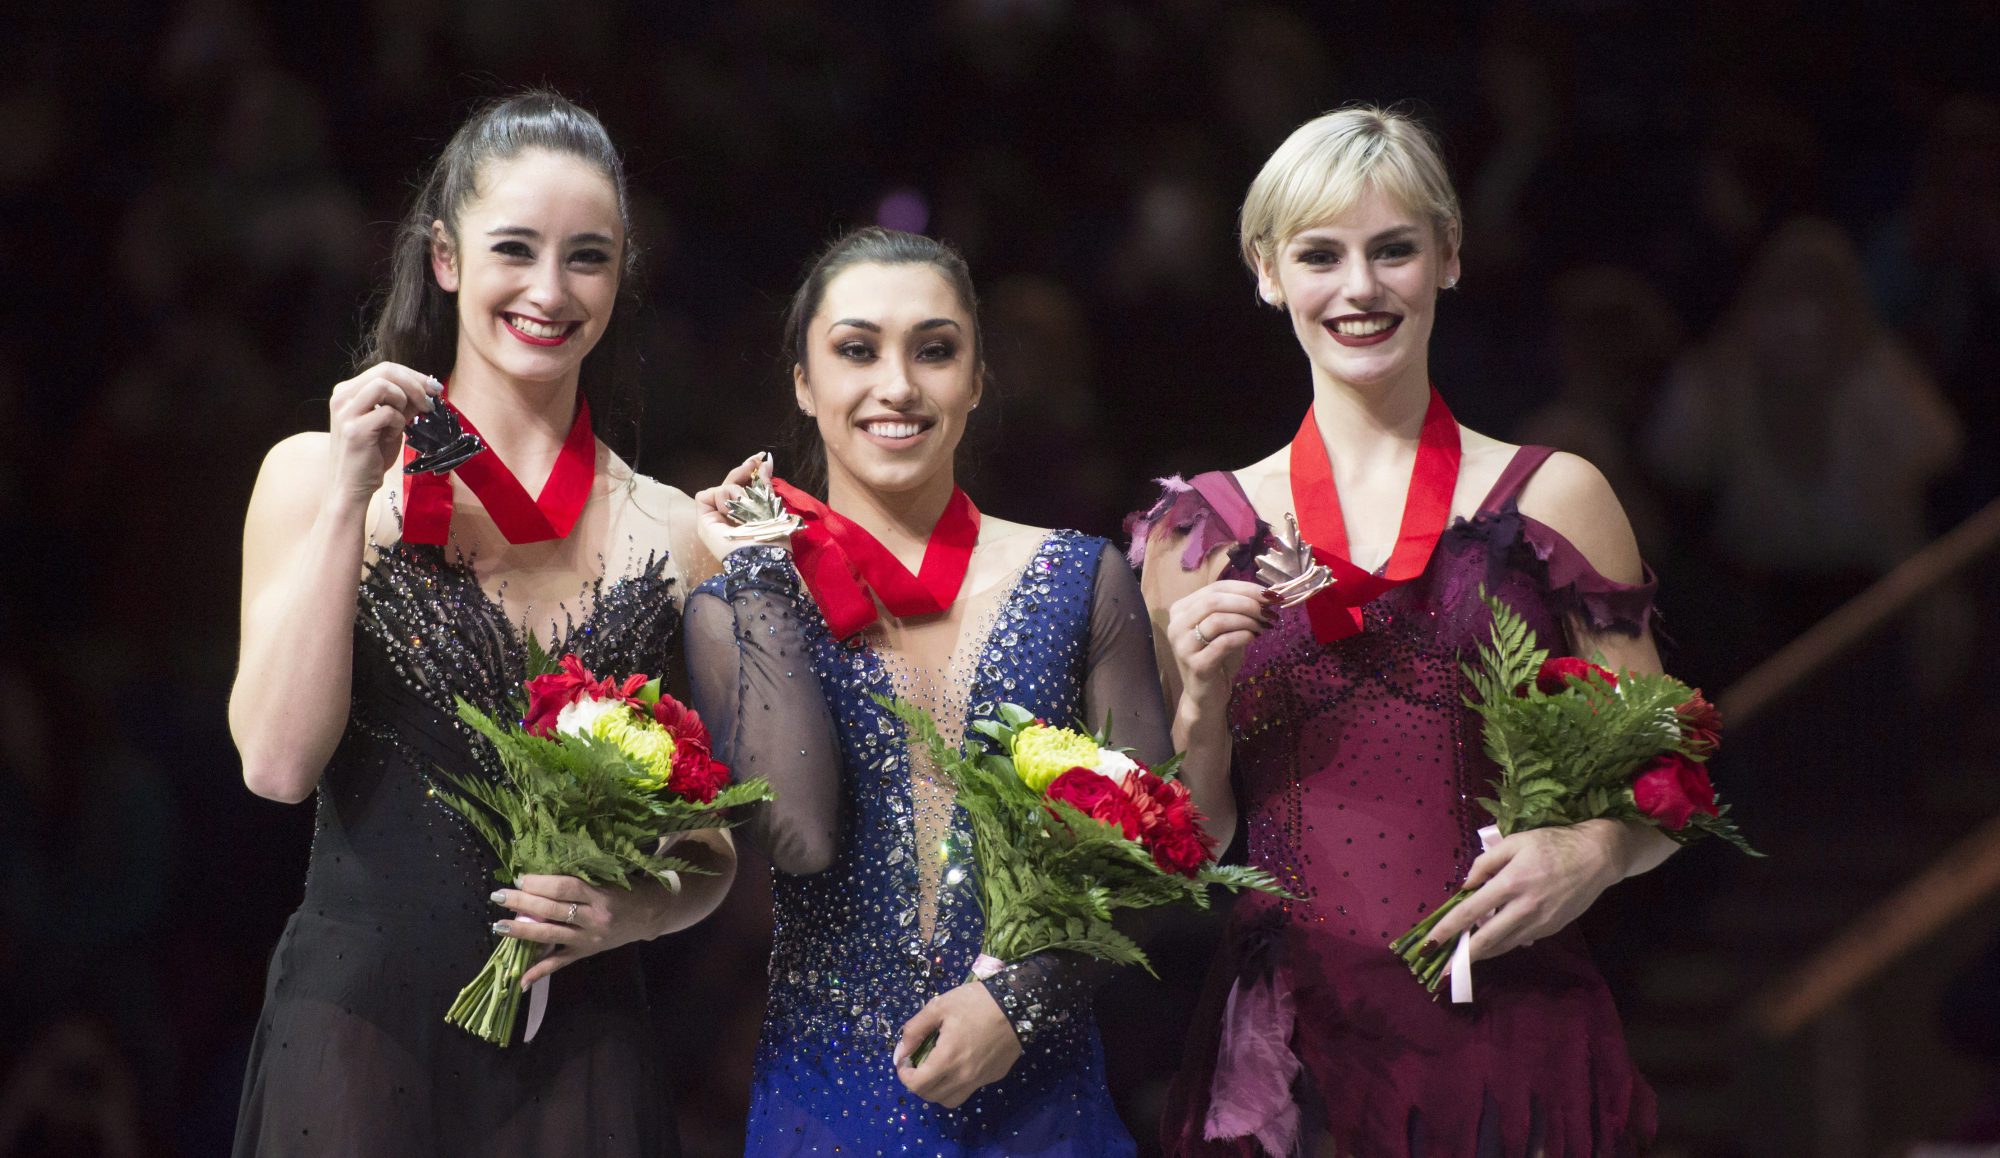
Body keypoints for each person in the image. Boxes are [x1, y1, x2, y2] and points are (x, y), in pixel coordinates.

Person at [1136, 107, 1670, 1157]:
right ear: (1264, 272)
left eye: (1393, 250)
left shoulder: (1554, 495)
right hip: (1291, 1063)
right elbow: (1193, 845)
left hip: (1507, 1031)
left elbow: (1668, 776)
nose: (1360, 288)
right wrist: (1197, 706)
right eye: (1319, 255)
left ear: (1449, 258)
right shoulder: (1195, 533)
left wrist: (1595, 850)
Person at [228, 90, 734, 1157]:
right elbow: (276, 765)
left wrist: (633, 912)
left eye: (587, 257)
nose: (549, 291)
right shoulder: (315, 477)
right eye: (515, 248)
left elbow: (709, 847)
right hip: (355, 1031)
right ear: (445, 258)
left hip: (582, 1048)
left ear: (620, 272)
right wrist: (343, 506)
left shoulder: (671, 527)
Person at [684, 227, 1175, 1156]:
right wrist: (757, 573)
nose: (898, 385)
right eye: (857, 350)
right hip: (828, 1101)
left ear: (977, 379)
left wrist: (1021, 1002)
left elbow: (1157, 856)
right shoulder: (741, 609)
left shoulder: (1080, 579)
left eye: (935, 350)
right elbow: (799, 836)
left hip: (1042, 1099)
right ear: (803, 381)